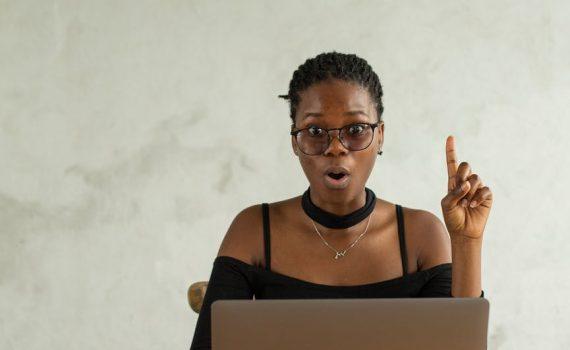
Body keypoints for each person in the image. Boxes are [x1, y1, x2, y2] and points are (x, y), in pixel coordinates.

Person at [189, 51, 493, 349]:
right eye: (315, 131)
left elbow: (455, 345)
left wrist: (467, 242)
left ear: (380, 136)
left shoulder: (420, 234)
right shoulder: (254, 231)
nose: (336, 148)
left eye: (356, 130)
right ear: (295, 141)